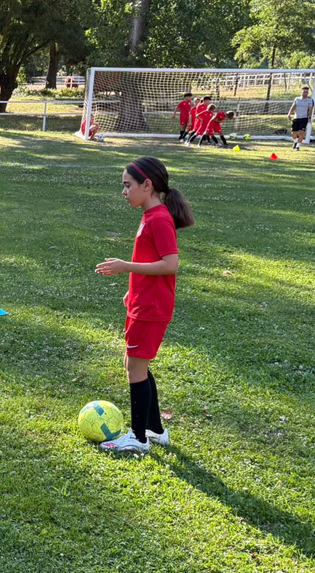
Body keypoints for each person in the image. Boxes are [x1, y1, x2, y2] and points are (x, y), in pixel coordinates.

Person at [94, 156, 194, 454]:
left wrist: (125, 266)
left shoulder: (159, 219)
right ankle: (155, 430)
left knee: (135, 368)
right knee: (135, 364)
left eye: (128, 185)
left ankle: (138, 438)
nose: (124, 192)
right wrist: (133, 290)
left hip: (151, 309)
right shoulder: (151, 216)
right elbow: (151, 261)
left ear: (147, 185)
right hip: (143, 304)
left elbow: (170, 264)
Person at [287, 85, 315, 151]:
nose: (305, 93)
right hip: (296, 117)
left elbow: (310, 110)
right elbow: (293, 106)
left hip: (304, 118)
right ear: (301, 92)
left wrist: (309, 117)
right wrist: (289, 114)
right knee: (293, 133)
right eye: (304, 92)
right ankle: (295, 141)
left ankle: (298, 146)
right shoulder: (297, 99)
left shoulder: (310, 100)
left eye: (306, 92)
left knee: (301, 132)